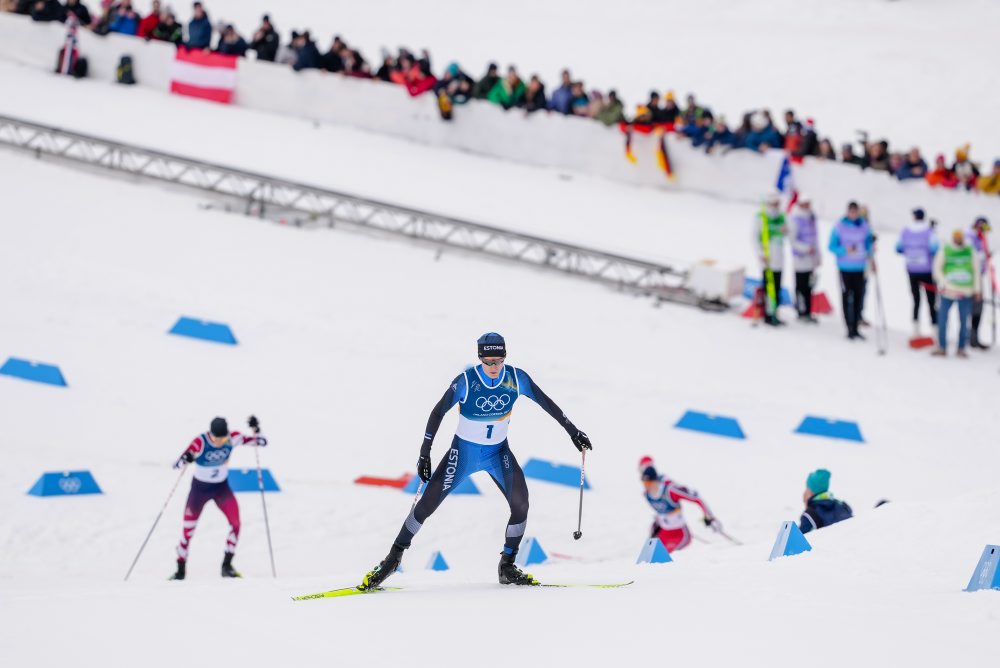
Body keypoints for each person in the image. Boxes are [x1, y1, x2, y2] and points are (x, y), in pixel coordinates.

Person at [359, 333, 592, 590]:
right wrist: (425, 453)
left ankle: (507, 565)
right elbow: (437, 412)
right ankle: (392, 559)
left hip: (498, 453)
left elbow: (547, 403)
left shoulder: (516, 378)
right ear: (480, 358)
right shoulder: (466, 382)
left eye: (498, 360)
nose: (493, 367)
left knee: (521, 503)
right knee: (426, 506)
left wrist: (573, 431)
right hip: (463, 454)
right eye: (488, 361)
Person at [169, 416, 268, 580]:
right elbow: (176, 464)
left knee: (236, 523)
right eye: (216, 438)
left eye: (222, 439)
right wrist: (187, 458)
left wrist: (256, 429)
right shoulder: (200, 442)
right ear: (210, 434)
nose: (220, 442)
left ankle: (227, 566)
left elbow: (262, 442)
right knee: (187, 530)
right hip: (199, 490)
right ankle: (180, 571)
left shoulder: (232, 438)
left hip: (221, 489)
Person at [639, 456, 719, 552]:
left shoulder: (670, 489)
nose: (645, 486)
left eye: (648, 483)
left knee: (663, 559)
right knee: (648, 559)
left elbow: (697, 498)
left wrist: (710, 517)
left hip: (680, 534)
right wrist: (658, 522)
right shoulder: (647, 495)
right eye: (644, 482)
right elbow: (662, 510)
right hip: (665, 531)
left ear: (655, 480)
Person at [932, 229, 982, 357]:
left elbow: (976, 272)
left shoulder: (970, 251)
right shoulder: (946, 249)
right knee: (942, 319)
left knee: (964, 321)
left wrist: (977, 290)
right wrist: (943, 283)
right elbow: (937, 269)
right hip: (947, 292)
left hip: (965, 292)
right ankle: (942, 346)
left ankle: (961, 348)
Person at [829, 202, 873, 340]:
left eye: (856, 212)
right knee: (847, 296)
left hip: (860, 267)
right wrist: (844, 250)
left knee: (859, 296)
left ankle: (856, 326)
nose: (853, 214)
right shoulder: (839, 226)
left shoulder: (865, 226)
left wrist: (871, 255)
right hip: (845, 267)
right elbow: (831, 246)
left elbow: (868, 244)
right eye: (851, 212)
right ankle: (849, 327)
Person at [895, 208, 939, 337]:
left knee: (916, 299)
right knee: (931, 300)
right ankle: (934, 328)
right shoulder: (929, 231)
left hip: (912, 270)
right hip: (927, 270)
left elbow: (898, 248)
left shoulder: (906, 231)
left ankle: (916, 328)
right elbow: (934, 248)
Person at [753, 193, 787, 326]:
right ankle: (768, 314)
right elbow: (754, 238)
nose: (775, 206)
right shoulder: (761, 217)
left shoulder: (781, 217)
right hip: (767, 260)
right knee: (769, 289)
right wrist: (761, 254)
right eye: (773, 204)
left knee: (777, 288)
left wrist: (786, 230)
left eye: (777, 204)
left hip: (779, 259)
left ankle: (775, 313)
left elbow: (787, 233)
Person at [788, 196, 821, 322]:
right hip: (800, 258)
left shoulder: (811, 217)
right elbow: (793, 240)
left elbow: (816, 238)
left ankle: (808, 310)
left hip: (811, 259)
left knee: (809, 285)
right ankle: (801, 311)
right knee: (801, 285)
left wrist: (818, 256)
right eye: (805, 204)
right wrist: (806, 249)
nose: (807, 206)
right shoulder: (795, 218)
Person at [799, 469, 852, 534]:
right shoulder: (841, 506)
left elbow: (797, 540)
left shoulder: (809, 516)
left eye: (807, 488)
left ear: (811, 492)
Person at [967, 217, 992, 349]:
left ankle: (973, 336)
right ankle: (970, 337)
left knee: (977, 307)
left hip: (978, 277)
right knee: (974, 306)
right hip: (970, 279)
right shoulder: (970, 237)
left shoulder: (979, 238)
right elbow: (971, 256)